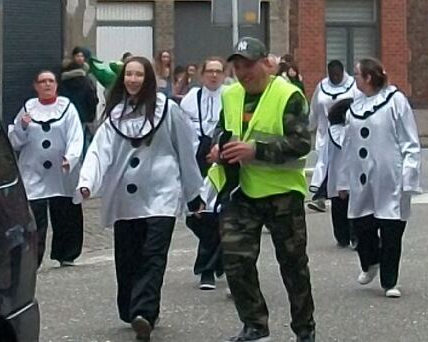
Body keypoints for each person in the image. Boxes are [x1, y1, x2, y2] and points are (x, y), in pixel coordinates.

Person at [76, 56, 204, 341]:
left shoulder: (168, 110)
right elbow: (100, 153)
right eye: (128, 75)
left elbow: (186, 151)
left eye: (138, 75)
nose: (133, 80)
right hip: (126, 198)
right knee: (128, 256)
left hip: (163, 193)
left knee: (154, 254)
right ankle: (133, 308)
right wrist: (87, 183)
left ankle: (144, 312)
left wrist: (195, 194)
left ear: (147, 79)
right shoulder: (114, 116)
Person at [207, 37, 315, 342]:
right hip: (240, 191)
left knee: (293, 265)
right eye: (238, 66)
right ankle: (255, 325)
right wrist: (219, 147)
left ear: (266, 63)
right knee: (236, 261)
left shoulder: (288, 95)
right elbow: (222, 129)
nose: (243, 72)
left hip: (282, 193)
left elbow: (301, 143)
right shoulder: (230, 95)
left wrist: (256, 150)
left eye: (249, 65)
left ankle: (304, 329)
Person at [329, 57, 422, 298]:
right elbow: (348, 147)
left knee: (391, 229)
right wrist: (343, 181)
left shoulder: (395, 101)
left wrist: (409, 176)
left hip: (390, 177)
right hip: (362, 179)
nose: (354, 79)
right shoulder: (355, 108)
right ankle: (369, 263)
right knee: (362, 225)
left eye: (357, 75)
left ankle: (390, 280)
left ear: (368, 78)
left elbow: (409, 140)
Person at [7, 70, 85, 268]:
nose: (47, 85)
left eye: (51, 81)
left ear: (56, 85)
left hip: (62, 171)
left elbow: (76, 137)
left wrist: (71, 157)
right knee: (35, 215)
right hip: (34, 170)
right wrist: (22, 127)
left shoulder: (67, 108)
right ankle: (33, 259)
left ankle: (66, 253)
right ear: (36, 86)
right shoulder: (27, 109)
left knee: (65, 212)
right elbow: (15, 141)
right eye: (43, 81)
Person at [179, 57, 226, 290]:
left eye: (218, 71)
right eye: (210, 71)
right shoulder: (190, 100)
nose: (214, 76)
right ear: (202, 74)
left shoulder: (231, 96)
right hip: (197, 159)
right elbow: (184, 131)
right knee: (194, 214)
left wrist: (220, 148)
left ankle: (206, 268)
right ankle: (219, 257)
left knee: (214, 213)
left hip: (223, 159)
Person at [307, 60, 360, 247]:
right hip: (326, 138)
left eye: (337, 74)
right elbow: (313, 112)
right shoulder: (321, 87)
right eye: (332, 75)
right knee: (333, 185)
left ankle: (355, 232)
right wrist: (306, 130)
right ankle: (341, 233)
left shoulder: (354, 86)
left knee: (349, 185)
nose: (335, 78)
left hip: (350, 134)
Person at [60, 46, 99, 148]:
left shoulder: (62, 79)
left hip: (65, 117)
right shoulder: (86, 80)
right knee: (83, 142)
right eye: (78, 55)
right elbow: (92, 99)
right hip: (83, 117)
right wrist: (91, 116)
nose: (80, 58)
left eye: (82, 56)